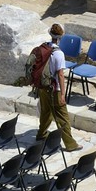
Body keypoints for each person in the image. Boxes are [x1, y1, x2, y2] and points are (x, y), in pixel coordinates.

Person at [32, 22, 79, 152]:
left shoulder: (43, 47)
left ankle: (41, 134)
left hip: (43, 87)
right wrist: (63, 94)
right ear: (61, 37)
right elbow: (60, 75)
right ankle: (71, 144)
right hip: (54, 89)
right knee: (62, 117)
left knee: (46, 112)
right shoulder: (59, 53)